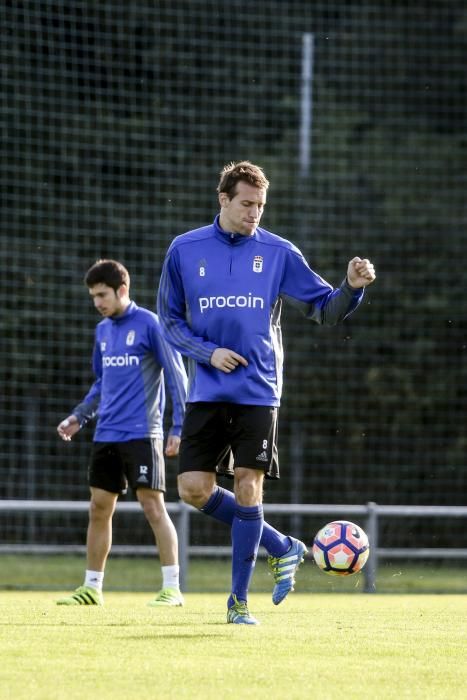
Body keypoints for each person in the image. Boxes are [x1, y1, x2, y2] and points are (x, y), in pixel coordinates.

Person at [157, 161, 376, 625]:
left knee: (248, 486)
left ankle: (238, 604)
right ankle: (282, 546)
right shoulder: (184, 249)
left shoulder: (278, 253)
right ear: (224, 199)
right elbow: (170, 323)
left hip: (258, 391)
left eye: (260, 205)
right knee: (192, 490)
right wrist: (208, 352)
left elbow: (324, 309)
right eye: (246, 204)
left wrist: (351, 290)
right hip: (207, 390)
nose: (255, 213)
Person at [56, 259, 188, 607]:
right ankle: (92, 588)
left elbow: (177, 377)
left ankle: (172, 587)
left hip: (143, 433)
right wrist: (79, 417)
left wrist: (179, 426)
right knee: (99, 507)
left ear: (122, 290)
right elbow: (102, 384)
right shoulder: (102, 331)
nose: (97, 302)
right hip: (106, 434)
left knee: (152, 505)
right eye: (93, 296)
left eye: (102, 295)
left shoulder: (149, 324)